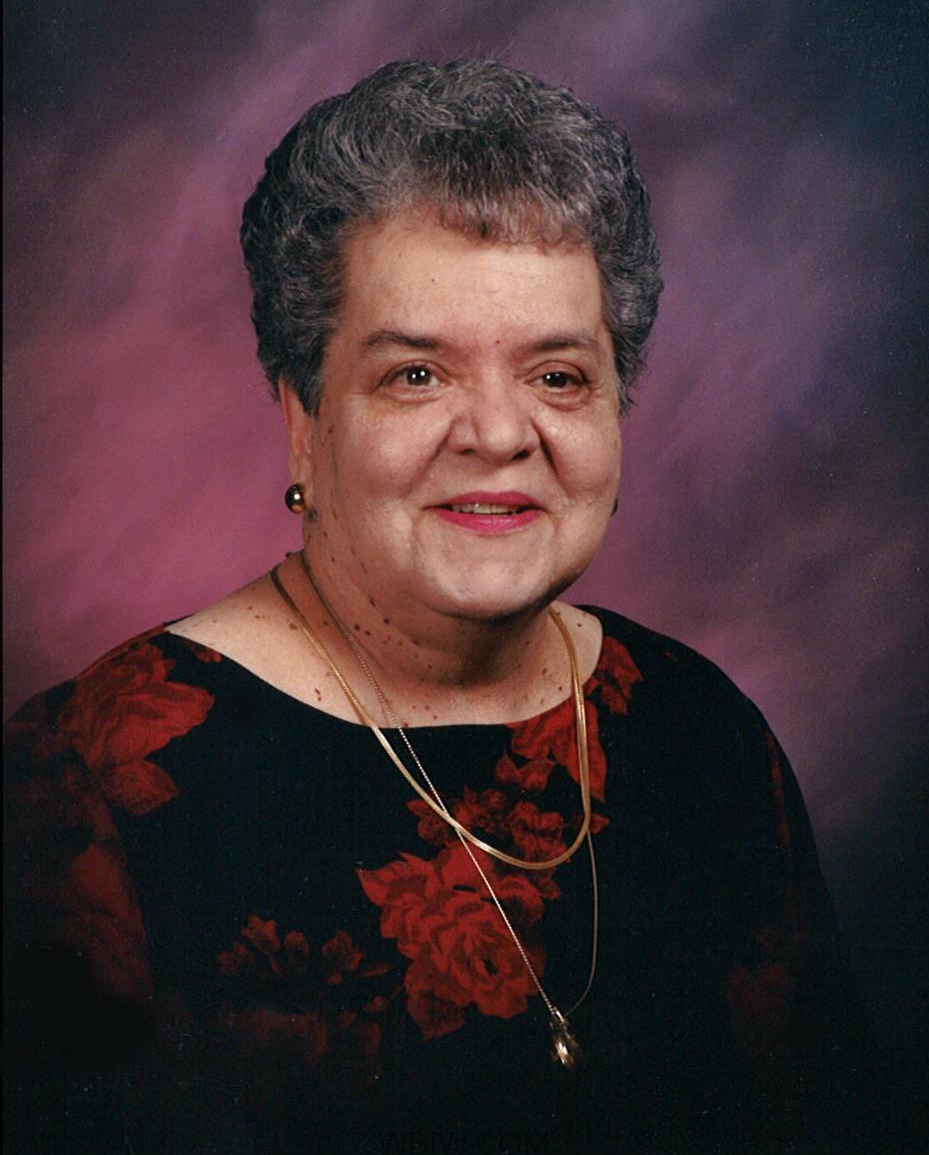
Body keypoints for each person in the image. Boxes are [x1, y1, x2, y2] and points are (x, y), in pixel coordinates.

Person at [6, 60, 874, 1154]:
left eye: (557, 375)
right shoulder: (90, 779)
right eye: (416, 374)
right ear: (303, 420)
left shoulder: (701, 730)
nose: (499, 434)